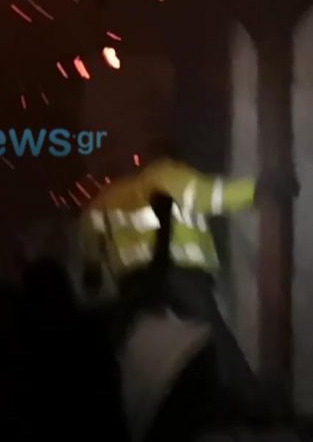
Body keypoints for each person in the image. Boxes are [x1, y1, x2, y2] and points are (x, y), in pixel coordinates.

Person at [78, 154, 261, 437]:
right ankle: (249, 406)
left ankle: (133, 416)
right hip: (181, 274)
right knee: (213, 339)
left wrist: (93, 273)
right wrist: (260, 189)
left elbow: (90, 243)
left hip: (133, 284)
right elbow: (214, 196)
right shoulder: (168, 175)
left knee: (130, 348)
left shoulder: (106, 199)